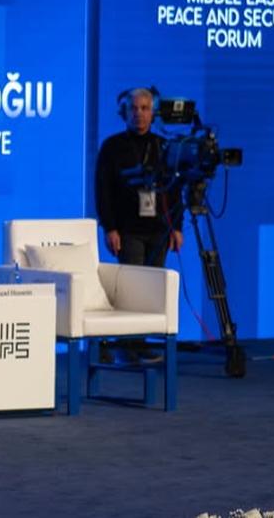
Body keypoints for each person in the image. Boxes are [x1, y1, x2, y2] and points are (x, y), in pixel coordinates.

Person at [94, 86, 184, 361]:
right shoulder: (112, 146)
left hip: (158, 229)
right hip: (127, 229)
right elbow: (103, 190)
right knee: (131, 290)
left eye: (145, 109)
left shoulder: (163, 146)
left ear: (153, 113)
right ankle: (123, 345)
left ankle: (139, 344)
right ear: (124, 112)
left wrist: (177, 227)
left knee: (150, 291)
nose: (139, 114)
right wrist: (109, 227)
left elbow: (175, 189)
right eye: (134, 108)